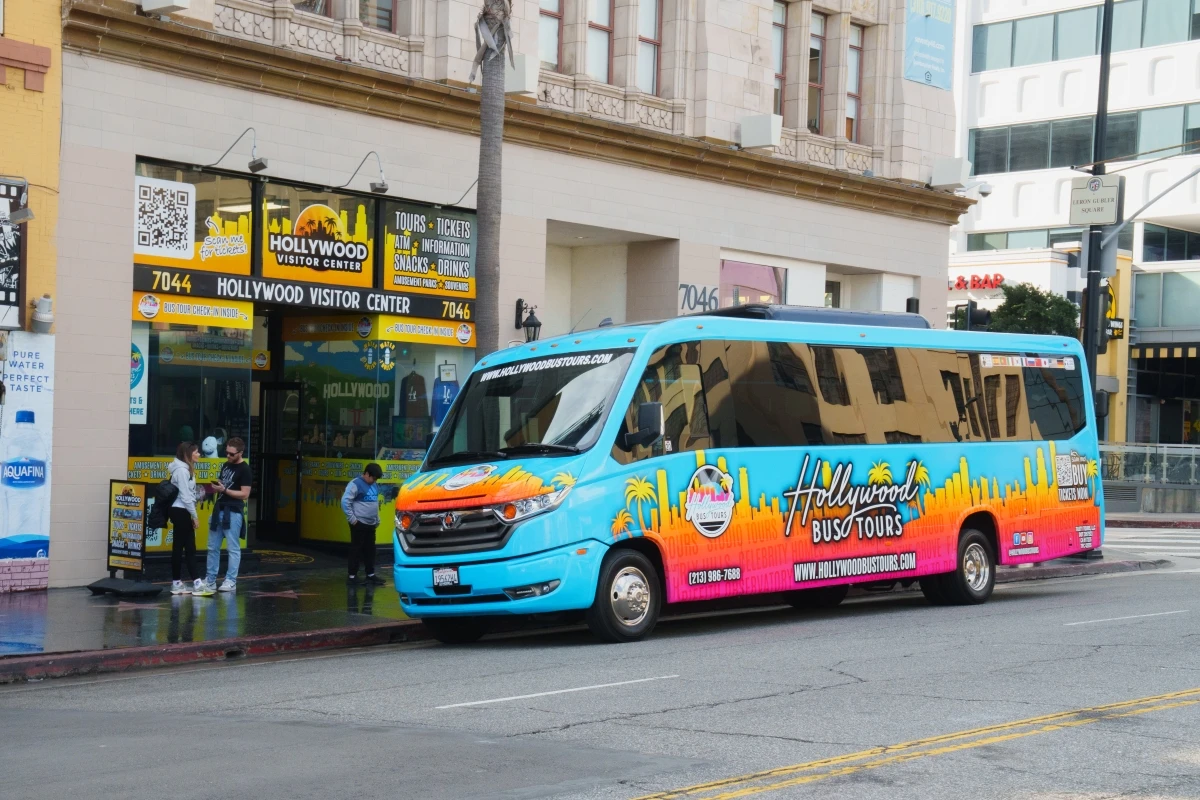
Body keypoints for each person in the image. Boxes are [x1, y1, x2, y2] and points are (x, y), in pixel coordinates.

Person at [199, 436, 252, 595]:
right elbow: (223, 485)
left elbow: (245, 494)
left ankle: (230, 580)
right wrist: (216, 488)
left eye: (231, 454)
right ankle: (210, 580)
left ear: (240, 453)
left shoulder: (245, 469)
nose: (228, 456)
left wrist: (225, 490)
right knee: (212, 547)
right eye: (227, 453)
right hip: (219, 508)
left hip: (233, 511)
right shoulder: (226, 465)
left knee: (232, 548)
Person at [168, 441, 205, 595]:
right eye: (196, 452)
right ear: (188, 454)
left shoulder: (184, 469)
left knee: (181, 547)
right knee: (189, 547)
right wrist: (194, 516)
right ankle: (196, 583)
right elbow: (185, 496)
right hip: (181, 510)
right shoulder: (182, 471)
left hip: (180, 511)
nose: (199, 454)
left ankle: (177, 583)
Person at [342, 462, 385, 585]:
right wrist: (353, 519)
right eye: (373, 478)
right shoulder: (355, 484)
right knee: (356, 549)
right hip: (359, 523)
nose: (374, 481)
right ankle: (352, 577)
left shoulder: (374, 485)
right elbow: (345, 502)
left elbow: (375, 503)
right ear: (366, 474)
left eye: (376, 479)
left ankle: (370, 574)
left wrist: (377, 519)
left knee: (370, 550)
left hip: (371, 524)